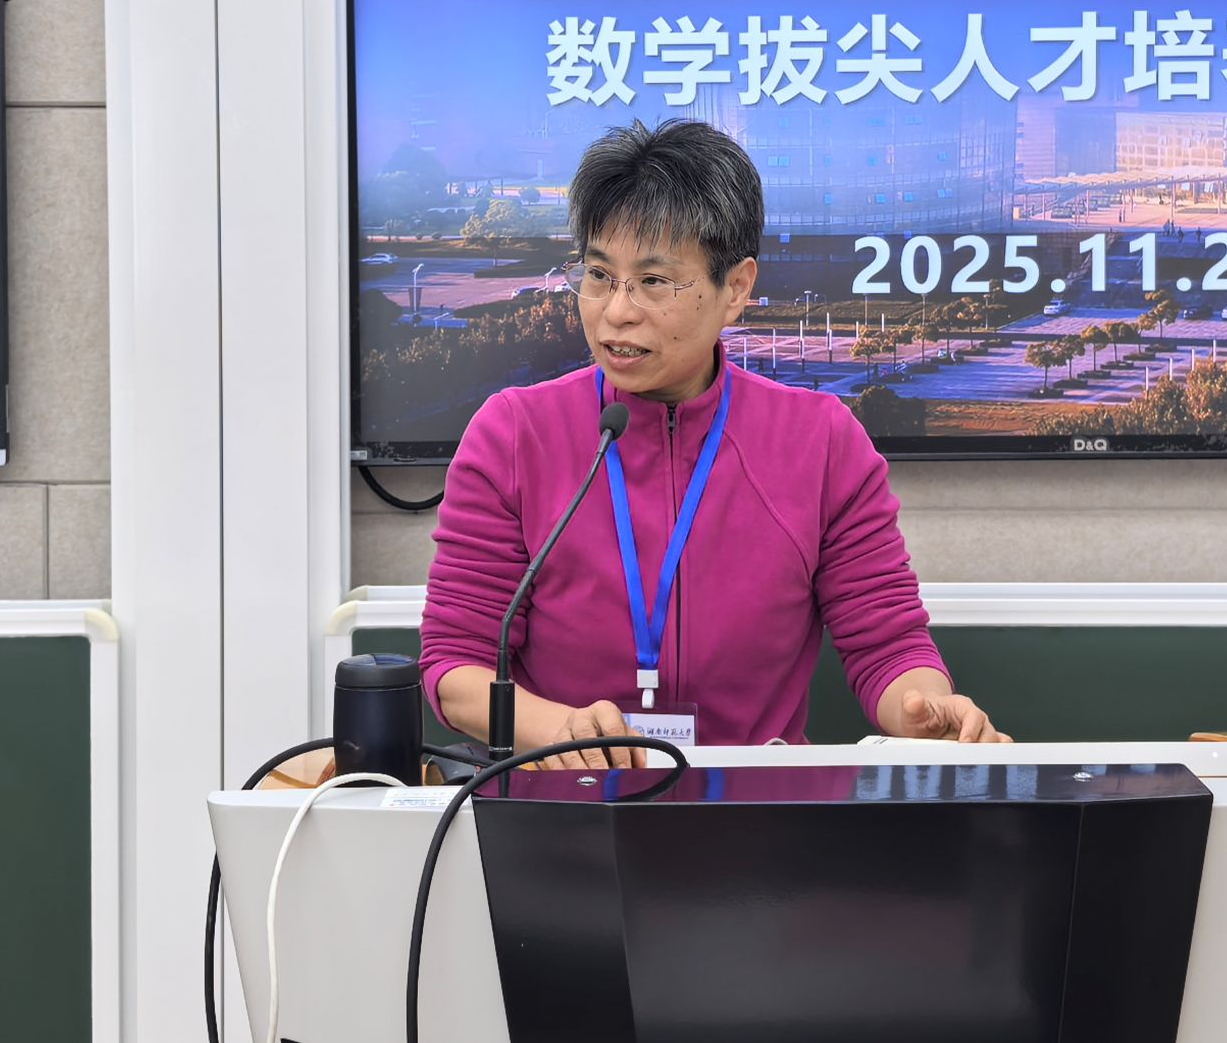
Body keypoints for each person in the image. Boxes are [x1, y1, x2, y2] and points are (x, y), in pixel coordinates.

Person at [420, 119, 1008, 769]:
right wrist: (563, 731)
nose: (616, 310)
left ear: (736, 288)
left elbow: (887, 646)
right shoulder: (513, 434)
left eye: (654, 281)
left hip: (755, 811)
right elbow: (456, 665)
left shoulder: (821, 442)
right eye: (599, 275)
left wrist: (925, 708)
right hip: (566, 804)